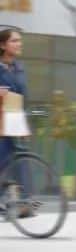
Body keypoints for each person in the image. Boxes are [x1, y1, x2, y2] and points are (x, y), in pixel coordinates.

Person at [0, 29, 33, 215]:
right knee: (4, 162)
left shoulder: (20, 67)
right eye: (14, 41)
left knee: (22, 162)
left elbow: (24, 98)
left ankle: (26, 204)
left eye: (20, 40)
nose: (19, 44)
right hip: (1, 122)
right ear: (3, 45)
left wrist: (28, 122)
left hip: (16, 121)